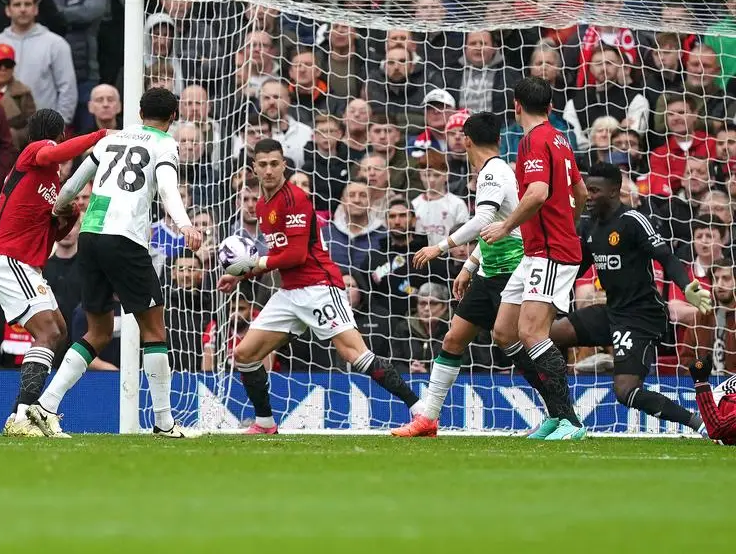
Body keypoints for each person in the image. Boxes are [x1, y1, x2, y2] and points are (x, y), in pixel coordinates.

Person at [219, 139, 423, 434]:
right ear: (254, 168)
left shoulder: (296, 199)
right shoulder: (262, 205)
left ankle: (420, 411)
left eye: (274, 164)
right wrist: (241, 275)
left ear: (284, 165)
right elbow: (279, 255)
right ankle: (265, 423)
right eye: (262, 164)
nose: (268, 170)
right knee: (245, 354)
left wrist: (252, 266)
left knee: (356, 355)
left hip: (320, 287)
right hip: (290, 293)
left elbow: (295, 255)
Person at [48, 89, 204, 438]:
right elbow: (167, 187)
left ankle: (46, 405)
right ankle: (163, 422)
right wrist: (185, 224)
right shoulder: (164, 145)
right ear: (174, 115)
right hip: (124, 239)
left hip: (90, 234)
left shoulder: (111, 139)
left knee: (98, 332)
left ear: (138, 110)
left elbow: (75, 182)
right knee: (154, 331)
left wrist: (59, 208)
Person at [397, 112, 535, 436]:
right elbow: (493, 225)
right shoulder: (497, 170)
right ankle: (428, 418)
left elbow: (484, 218)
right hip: (489, 270)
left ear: (466, 141)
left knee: (516, 341)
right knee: (454, 338)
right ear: (499, 140)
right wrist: (470, 266)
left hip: (510, 270)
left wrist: (439, 247)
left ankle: (557, 410)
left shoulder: (491, 174)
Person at [550, 162, 711, 432]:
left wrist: (686, 286)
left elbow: (666, 257)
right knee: (551, 334)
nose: (587, 196)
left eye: (594, 190)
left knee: (625, 391)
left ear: (613, 191)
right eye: (587, 189)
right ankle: (560, 414)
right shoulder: (590, 227)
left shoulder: (633, 221)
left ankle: (697, 421)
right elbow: (578, 267)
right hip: (612, 311)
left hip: (641, 317)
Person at [0, 109, 110, 437]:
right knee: (48, 334)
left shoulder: (53, 184)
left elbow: (49, 234)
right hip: (8, 258)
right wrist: (99, 137)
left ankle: (22, 414)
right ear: (60, 136)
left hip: (26, 263)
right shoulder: (31, 156)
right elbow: (52, 152)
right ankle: (25, 415)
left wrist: (66, 217)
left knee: (60, 331)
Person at [481, 76, 588, 441]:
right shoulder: (560, 138)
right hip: (538, 251)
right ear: (551, 107)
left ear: (515, 106)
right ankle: (554, 415)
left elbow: (538, 192)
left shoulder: (533, 141)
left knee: (531, 332)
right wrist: (568, 223)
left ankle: (569, 421)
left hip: (551, 253)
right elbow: (581, 192)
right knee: (504, 331)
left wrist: (505, 226)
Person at [688, 357, 736, 444]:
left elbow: (717, 428)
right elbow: (717, 428)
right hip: (718, 409)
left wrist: (700, 381)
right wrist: (701, 381)